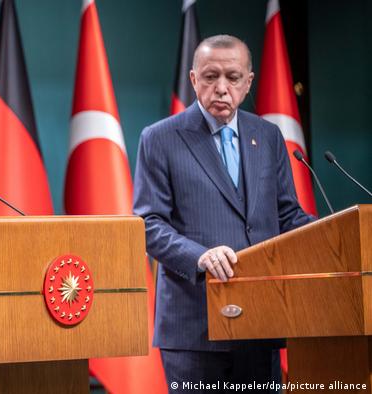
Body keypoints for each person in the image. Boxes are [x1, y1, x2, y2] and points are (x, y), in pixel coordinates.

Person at [133, 35, 313, 392]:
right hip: (195, 325)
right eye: (211, 76)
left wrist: (338, 232)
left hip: (260, 321)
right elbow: (149, 224)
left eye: (232, 78)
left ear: (248, 83)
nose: (221, 88)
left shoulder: (268, 135)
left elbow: (287, 215)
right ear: (193, 79)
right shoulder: (160, 138)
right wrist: (200, 257)